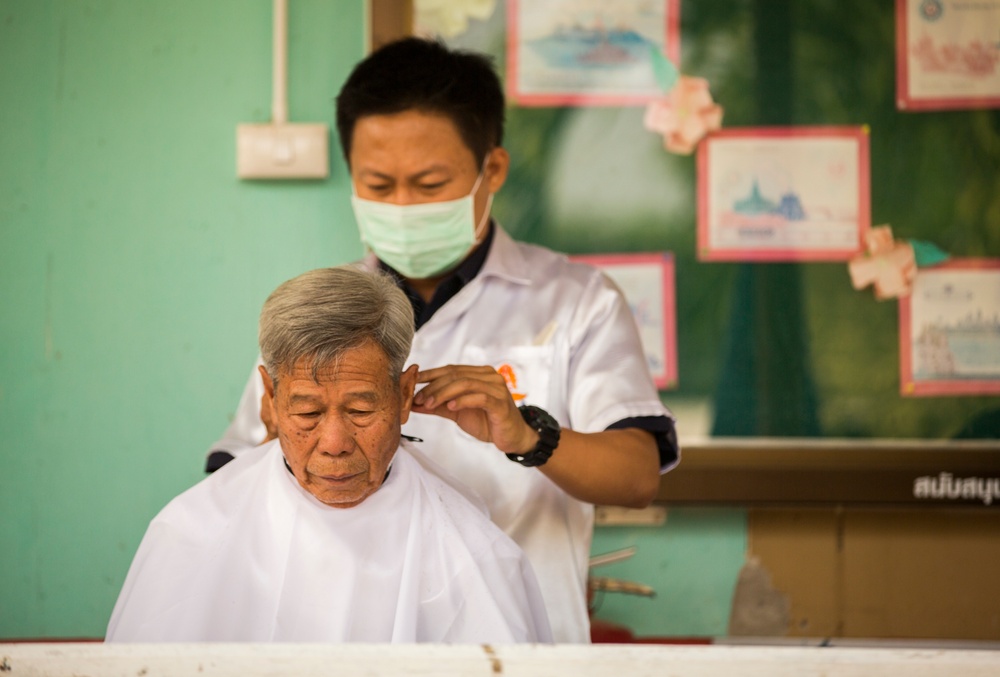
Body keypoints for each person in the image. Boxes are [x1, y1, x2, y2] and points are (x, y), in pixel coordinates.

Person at [205, 38, 679, 643]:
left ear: (493, 170)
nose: (402, 206)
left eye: (429, 185)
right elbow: (227, 481)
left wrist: (527, 433)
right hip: (347, 642)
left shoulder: (578, 300)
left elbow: (638, 477)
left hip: (520, 645)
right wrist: (296, 438)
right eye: (378, 185)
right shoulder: (319, 311)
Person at [107, 267, 551, 643]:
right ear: (271, 398)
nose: (334, 442)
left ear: (402, 395)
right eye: (308, 411)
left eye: (360, 410)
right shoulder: (190, 533)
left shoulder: (473, 552)